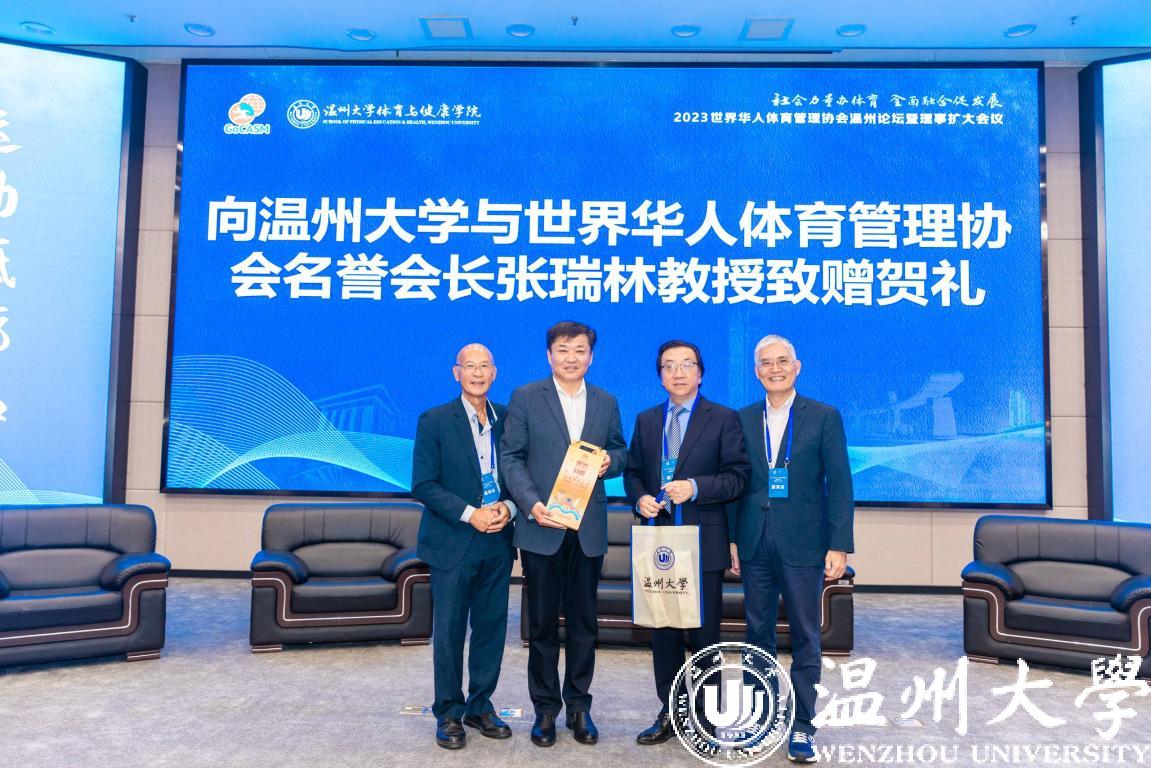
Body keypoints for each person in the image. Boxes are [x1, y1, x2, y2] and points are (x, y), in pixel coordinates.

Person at [500, 321, 628, 747]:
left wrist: (611, 461)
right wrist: (532, 504)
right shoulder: (525, 396)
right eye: (562, 349)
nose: (571, 357)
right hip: (542, 526)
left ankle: (579, 706)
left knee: (583, 624)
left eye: (579, 350)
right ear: (549, 354)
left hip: (587, 529)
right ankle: (545, 710)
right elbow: (511, 458)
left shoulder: (606, 401)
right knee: (540, 625)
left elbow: (621, 451)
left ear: (591, 356)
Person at [730, 334, 854, 764]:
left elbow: (840, 484)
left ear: (796, 367)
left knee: (805, 635)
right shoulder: (743, 419)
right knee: (756, 635)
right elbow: (737, 483)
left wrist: (839, 544)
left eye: (783, 361)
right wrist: (733, 538)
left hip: (805, 543)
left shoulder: (823, 416)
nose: (775, 369)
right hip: (753, 541)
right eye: (767, 363)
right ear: (757, 372)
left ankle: (803, 725)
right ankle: (760, 720)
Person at [625, 340, 750, 745]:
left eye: (686, 365)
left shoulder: (723, 418)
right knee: (663, 633)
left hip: (703, 543)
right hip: (658, 543)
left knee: (703, 635)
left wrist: (694, 487)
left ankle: (708, 718)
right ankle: (671, 711)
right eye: (669, 366)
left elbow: (737, 477)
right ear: (660, 375)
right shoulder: (646, 420)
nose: (677, 372)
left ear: (700, 373)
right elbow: (632, 473)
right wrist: (639, 498)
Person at [411, 343, 517, 750]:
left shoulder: (509, 419)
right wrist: (471, 513)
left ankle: (480, 706)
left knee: (491, 628)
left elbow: (519, 474)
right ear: (457, 373)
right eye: (469, 366)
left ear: (495, 372)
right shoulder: (434, 420)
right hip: (453, 542)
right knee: (450, 631)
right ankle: (449, 713)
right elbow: (423, 484)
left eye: (484, 366)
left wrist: (508, 507)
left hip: (498, 540)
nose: (477, 373)